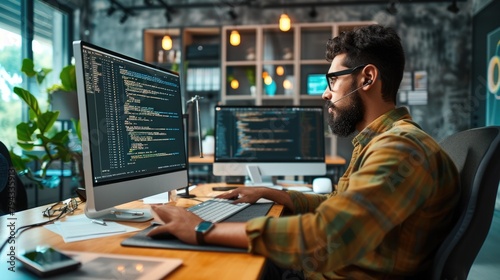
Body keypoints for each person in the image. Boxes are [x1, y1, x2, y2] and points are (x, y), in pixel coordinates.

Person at [148, 25, 460, 279]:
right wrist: (274, 195)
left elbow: (325, 237)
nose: (325, 93)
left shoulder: (401, 148)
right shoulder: (384, 141)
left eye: (332, 80)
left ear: (367, 78)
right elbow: (339, 207)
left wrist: (203, 228)